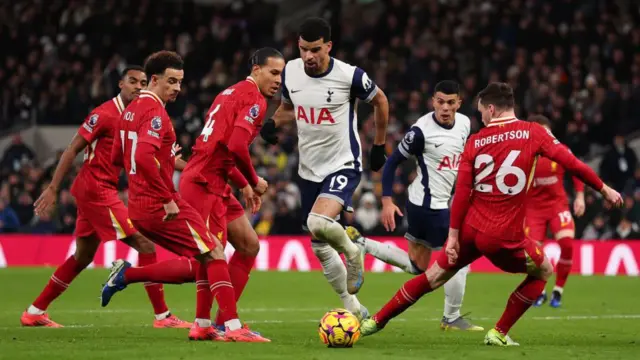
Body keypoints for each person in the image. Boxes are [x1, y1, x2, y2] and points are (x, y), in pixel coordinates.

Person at [359, 82, 623, 346]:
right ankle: (499, 332)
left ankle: (376, 321)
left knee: (432, 276)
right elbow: (572, 162)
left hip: (471, 229)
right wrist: (604, 189)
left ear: (492, 109)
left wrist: (453, 236)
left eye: (482, 111)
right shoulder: (534, 133)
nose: (481, 117)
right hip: (503, 235)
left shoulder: (475, 141)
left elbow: (462, 193)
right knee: (544, 270)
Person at [105, 48, 284, 335]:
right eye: (274, 72)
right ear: (256, 70)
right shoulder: (253, 100)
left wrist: (243, 184)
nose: (278, 80)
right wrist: (253, 179)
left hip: (216, 180)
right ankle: (216, 323)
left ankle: (212, 323)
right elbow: (236, 146)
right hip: (203, 183)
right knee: (206, 256)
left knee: (247, 245)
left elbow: (217, 147)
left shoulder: (227, 93)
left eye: (281, 74)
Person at [23, 66, 190, 329]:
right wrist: (54, 187)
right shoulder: (105, 114)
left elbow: (150, 157)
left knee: (83, 256)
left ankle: (34, 311)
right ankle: (163, 317)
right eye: (132, 81)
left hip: (99, 189)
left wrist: (186, 165)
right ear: (120, 84)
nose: (138, 86)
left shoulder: (136, 116)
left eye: (143, 82)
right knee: (145, 244)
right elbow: (72, 149)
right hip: (96, 188)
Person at [260, 17, 389, 320]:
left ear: (329, 46)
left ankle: (353, 251)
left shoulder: (349, 76)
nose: (309, 56)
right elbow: (290, 109)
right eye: (303, 49)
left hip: (343, 162)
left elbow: (381, 101)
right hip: (308, 169)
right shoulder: (290, 71)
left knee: (318, 222)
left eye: (315, 49)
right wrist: (272, 124)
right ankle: (354, 307)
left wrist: (380, 145)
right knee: (319, 245)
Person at [347, 80, 482, 331]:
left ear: (459, 104)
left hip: (431, 202)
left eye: (450, 102)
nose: (444, 107)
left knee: (417, 266)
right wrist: (386, 200)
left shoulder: (464, 123)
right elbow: (391, 163)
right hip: (430, 206)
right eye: (440, 101)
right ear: (433, 101)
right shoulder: (421, 131)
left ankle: (363, 245)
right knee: (458, 255)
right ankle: (451, 318)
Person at [525, 115, 585, 308]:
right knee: (533, 254)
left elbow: (577, 170)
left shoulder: (560, 151)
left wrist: (580, 196)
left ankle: (558, 291)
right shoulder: (524, 154)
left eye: (546, 131)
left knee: (567, 243)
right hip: (533, 208)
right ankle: (540, 291)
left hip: (557, 205)